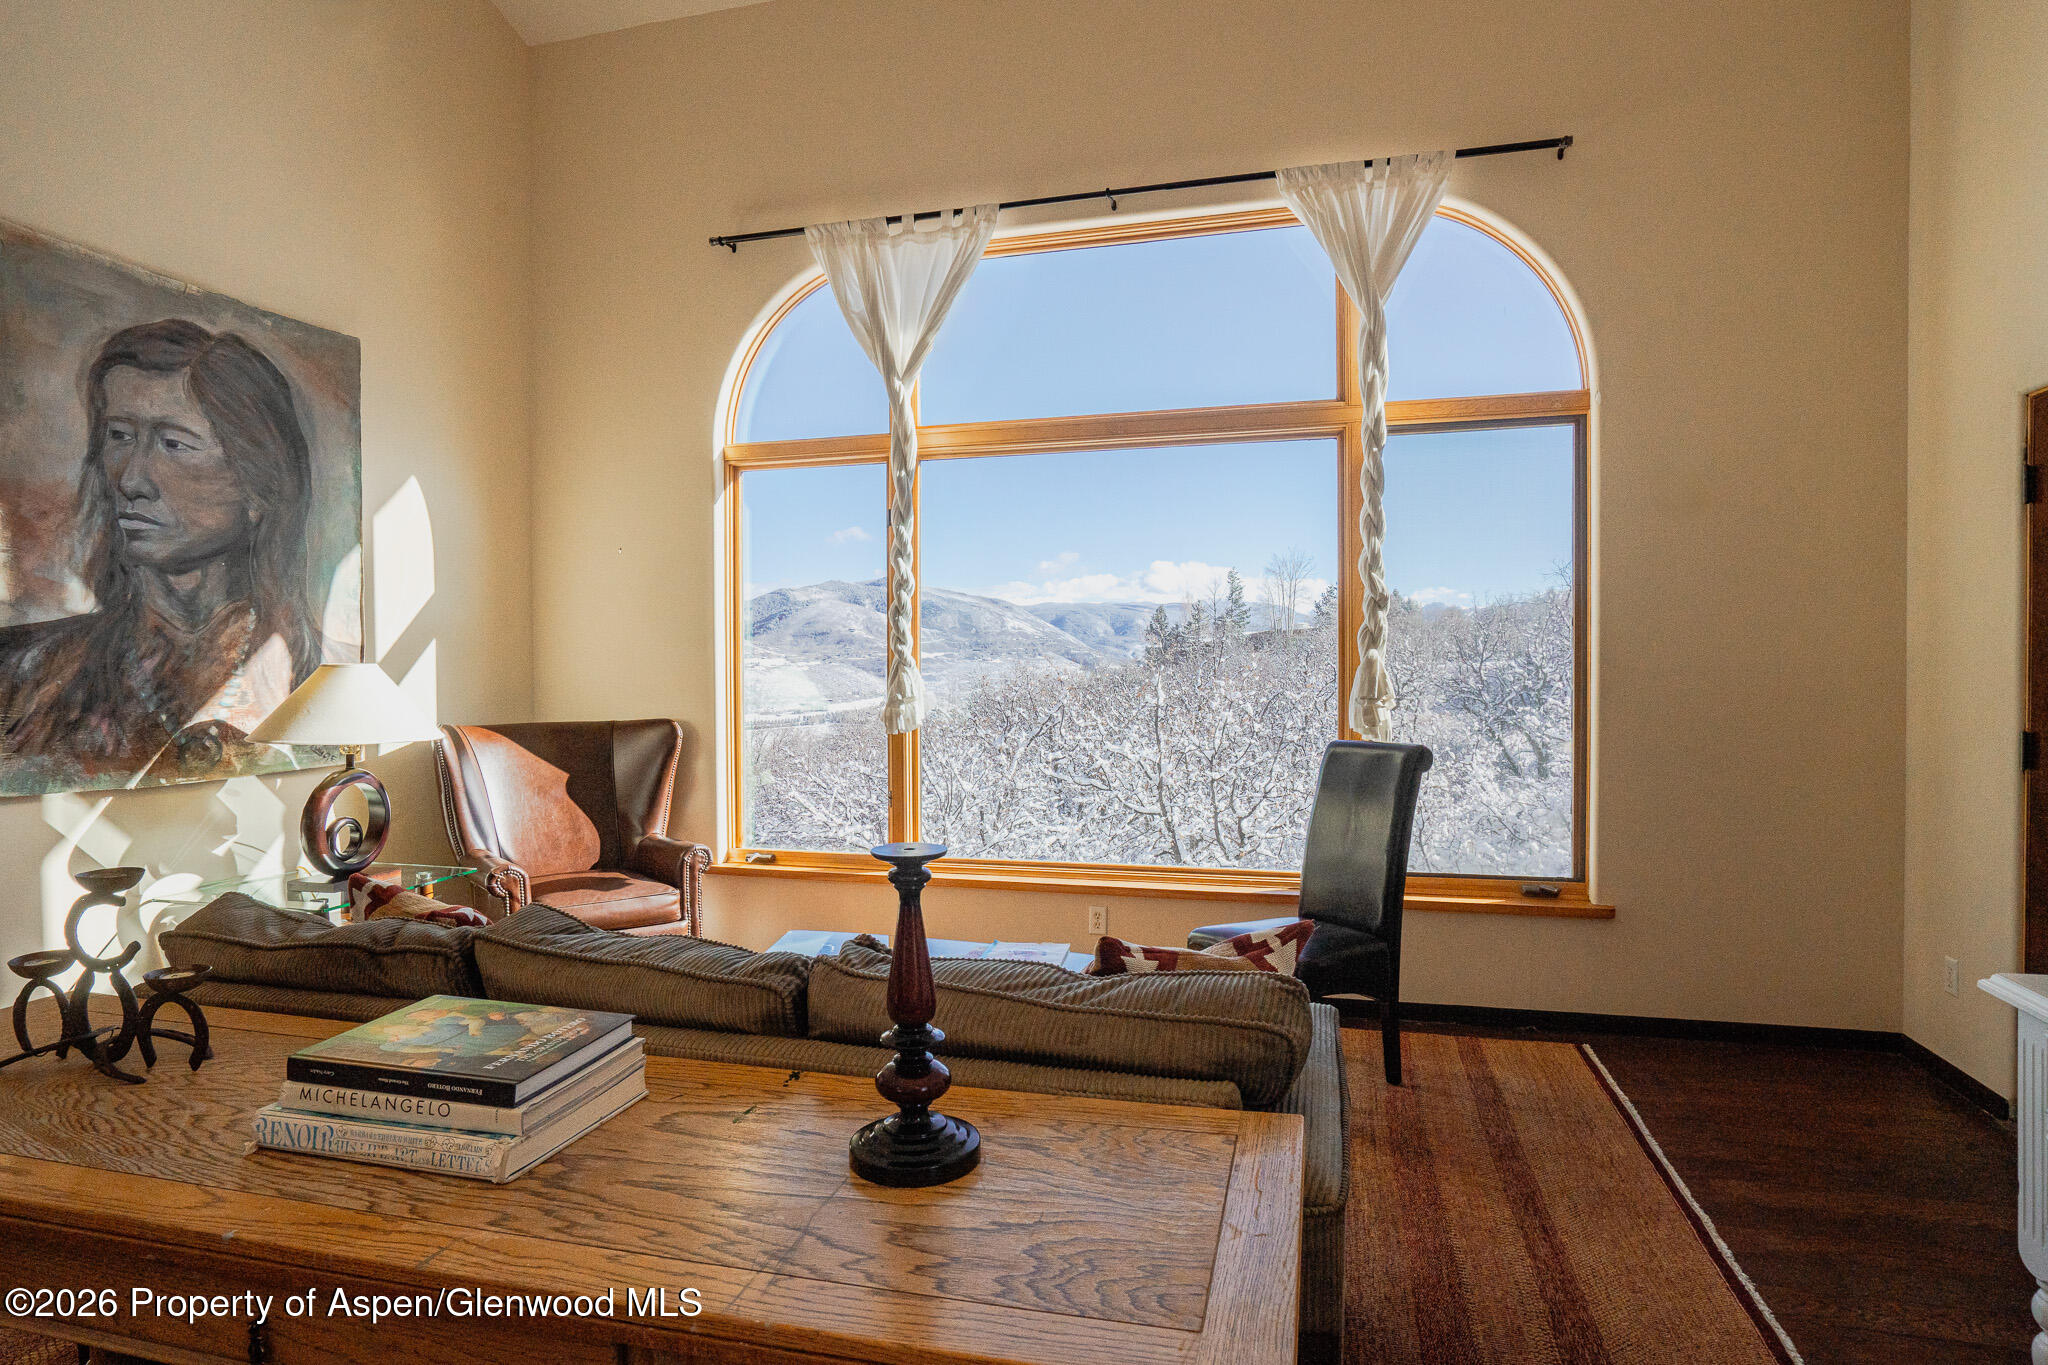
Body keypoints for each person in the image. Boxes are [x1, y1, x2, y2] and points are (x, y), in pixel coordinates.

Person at [0, 318, 322, 784]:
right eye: (119, 436)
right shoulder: (25, 673)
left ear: (258, 484)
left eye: (174, 444)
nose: (130, 480)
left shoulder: (312, 674)